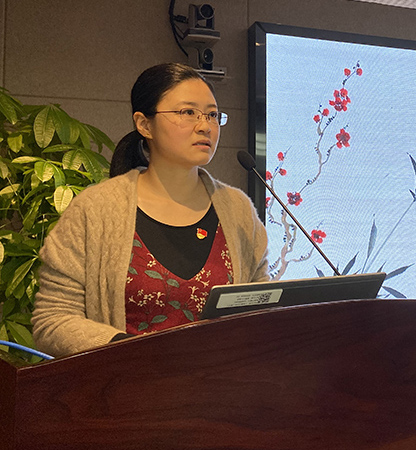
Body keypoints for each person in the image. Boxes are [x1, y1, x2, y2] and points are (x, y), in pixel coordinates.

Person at [32, 63, 269, 357]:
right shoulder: (94, 210)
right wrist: (130, 351)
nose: (205, 126)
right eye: (188, 112)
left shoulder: (238, 210)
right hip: (127, 380)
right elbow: (52, 319)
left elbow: (262, 306)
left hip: (222, 382)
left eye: (212, 114)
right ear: (144, 124)